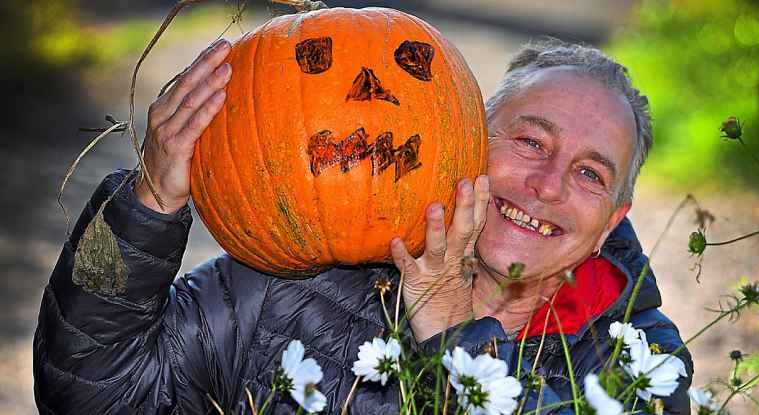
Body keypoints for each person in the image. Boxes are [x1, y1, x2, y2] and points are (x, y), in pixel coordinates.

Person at [35, 36, 693, 414]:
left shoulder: (641, 364)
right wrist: (146, 206)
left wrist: (450, 332)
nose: (547, 185)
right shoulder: (298, 283)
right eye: (529, 141)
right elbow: (91, 393)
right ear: (465, 136)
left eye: (590, 174)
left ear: (613, 221)